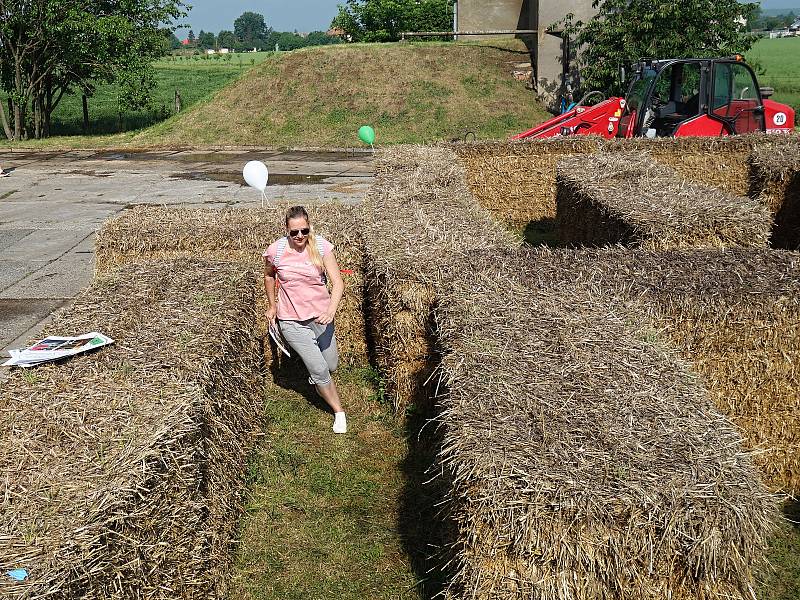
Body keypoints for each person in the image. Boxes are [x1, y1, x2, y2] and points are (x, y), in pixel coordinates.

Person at [263, 206, 347, 434]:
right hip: (291, 321)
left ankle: (318, 379)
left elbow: (338, 283)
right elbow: (269, 276)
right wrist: (272, 306)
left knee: (331, 365)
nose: (300, 236)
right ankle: (339, 412)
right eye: (294, 232)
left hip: (321, 317)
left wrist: (331, 310)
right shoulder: (276, 251)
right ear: (286, 231)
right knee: (320, 370)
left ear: (309, 227)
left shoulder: (321, 246)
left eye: (304, 230)